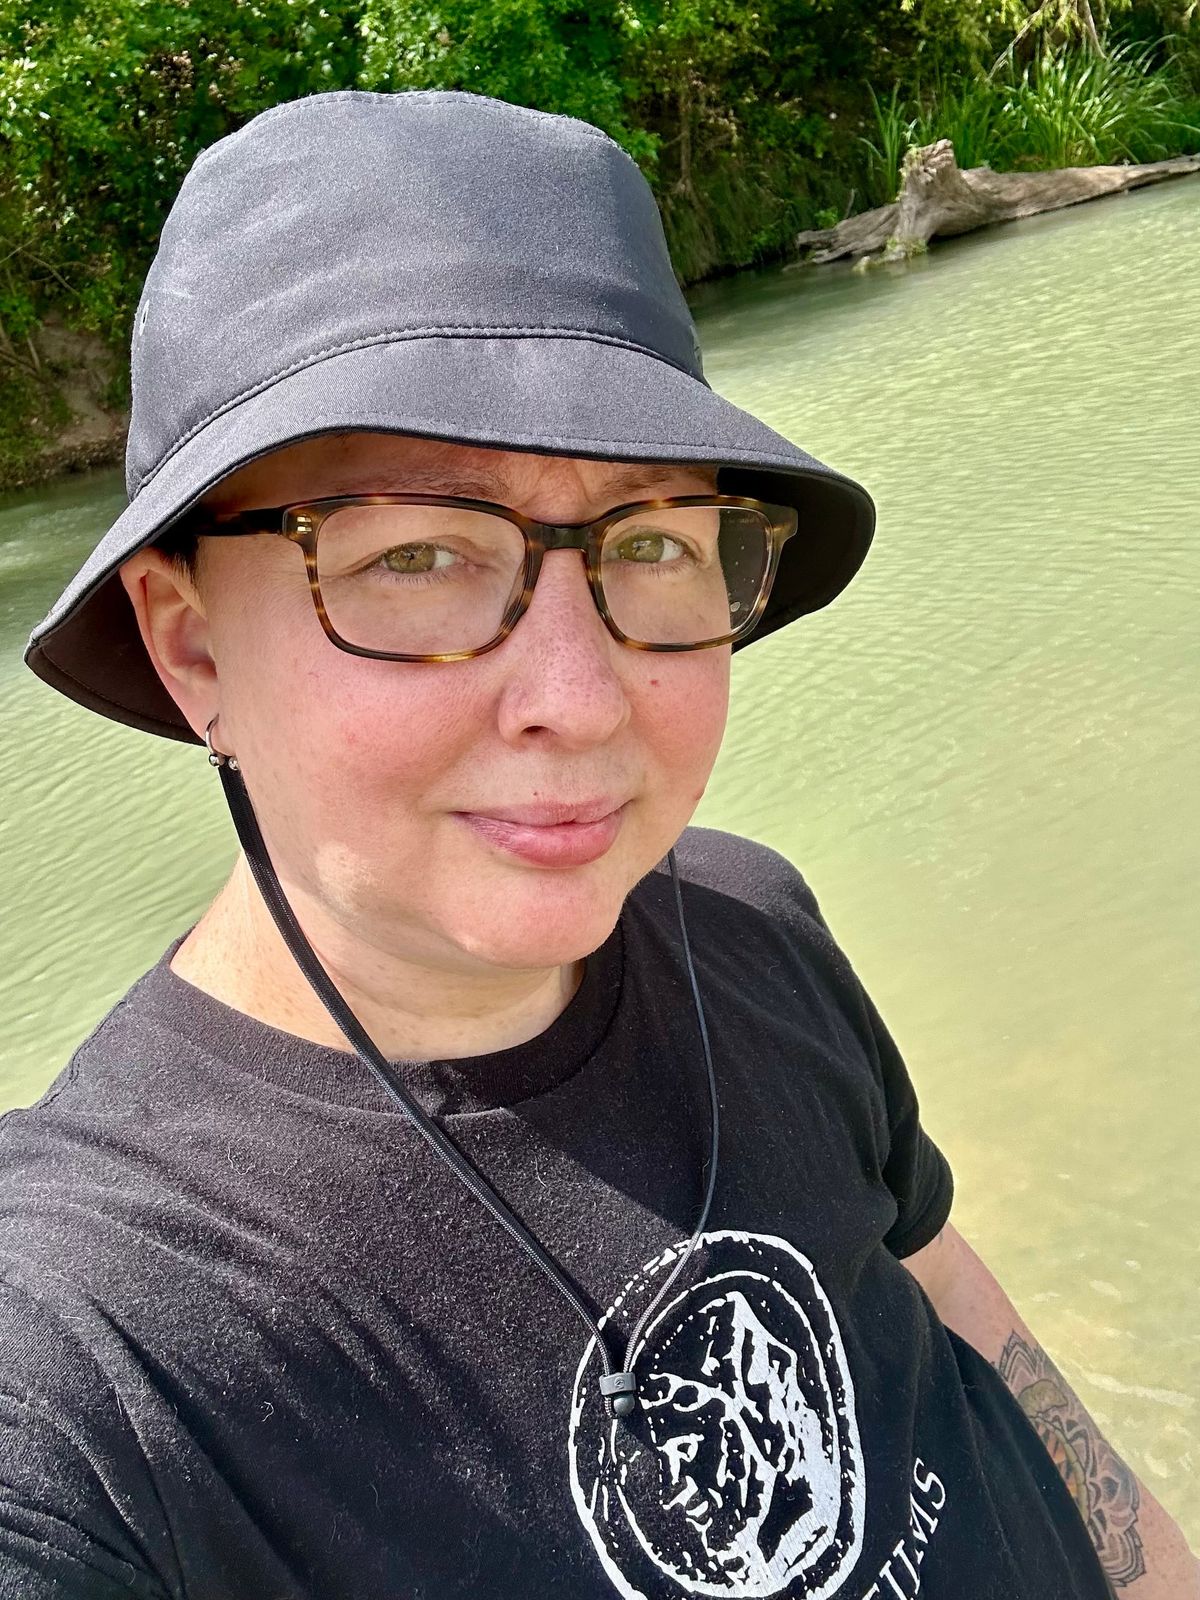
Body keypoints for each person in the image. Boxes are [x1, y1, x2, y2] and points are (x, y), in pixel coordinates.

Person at [1, 89, 1194, 1600]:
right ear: (190, 650)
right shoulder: (87, 1358)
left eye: (648, 542)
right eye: (417, 557)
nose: (577, 700)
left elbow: (944, 1291)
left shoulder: (745, 917)